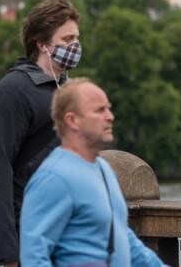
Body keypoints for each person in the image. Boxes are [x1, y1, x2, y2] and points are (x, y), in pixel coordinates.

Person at [20, 79, 165, 267]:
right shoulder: (53, 178)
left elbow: (122, 238)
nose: (110, 116)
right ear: (72, 120)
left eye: (108, 108)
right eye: (99, 110)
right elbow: (33, 258)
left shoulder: (102, 168)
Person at [0, 0, 81, 266]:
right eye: (67, 39)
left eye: (77, 38)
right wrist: (8, 252)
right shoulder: (13, 91)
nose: (75, 46)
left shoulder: (66, 89)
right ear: (41, 44)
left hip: (63, 233)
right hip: (28, 234)